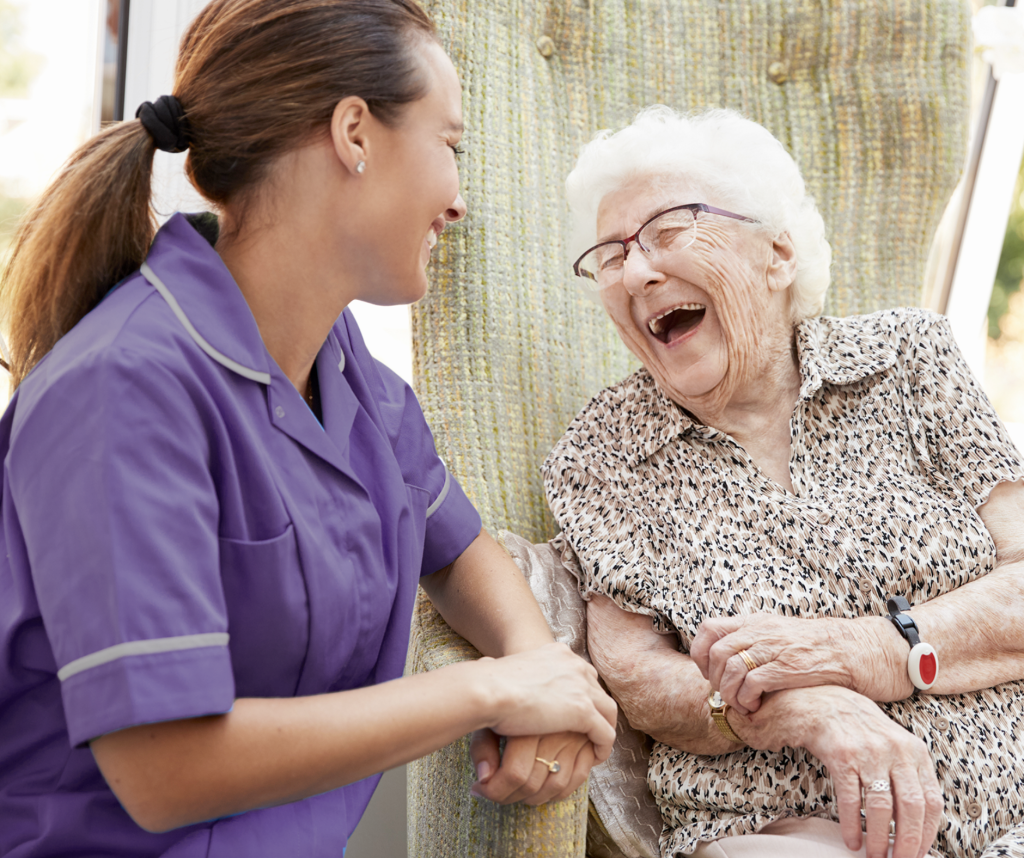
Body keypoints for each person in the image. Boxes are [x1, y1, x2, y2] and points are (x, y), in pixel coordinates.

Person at [0, 1, 617, 855]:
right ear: (354, 134)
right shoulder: (121, 387)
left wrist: (539, 663)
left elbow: (457, 547)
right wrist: (494, 692)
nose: (460, 200)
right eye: (451, 146)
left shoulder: (341, 363)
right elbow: (164, 768)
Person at [542, 106, 1024, 858]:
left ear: (778, 253)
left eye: (670, 230)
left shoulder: (908, 358)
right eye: (612, 255)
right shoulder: (603, 451)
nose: (637, 270)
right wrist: (811, 710)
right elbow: (637, 678)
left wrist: (860, 653)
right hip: (789, 826)